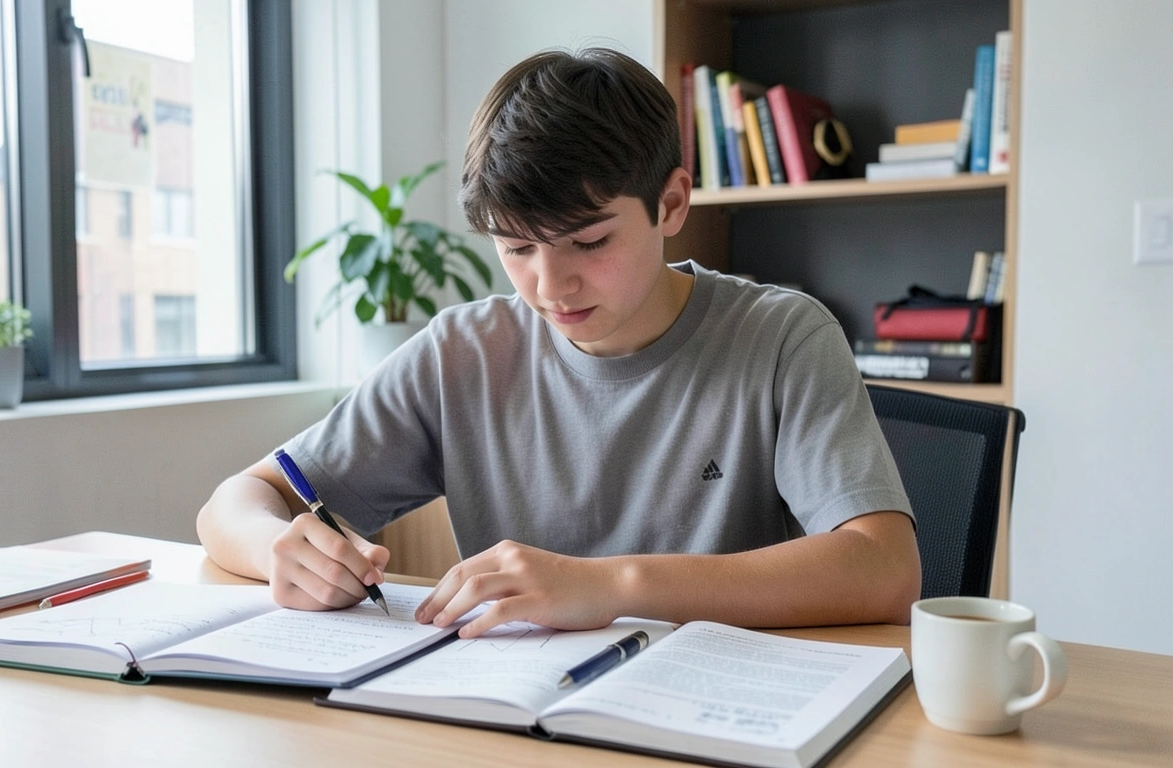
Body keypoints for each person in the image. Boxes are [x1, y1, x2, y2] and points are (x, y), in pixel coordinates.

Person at [197, 47, 920, 640]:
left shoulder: (782, 336)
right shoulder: (464, 352)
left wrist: (608, 586)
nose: (550, 287)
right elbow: (239, 500)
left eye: (590, 241)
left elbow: (884, 569)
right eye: (516, 249)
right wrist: (275, 548)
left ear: (671, 204)